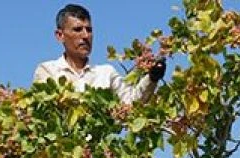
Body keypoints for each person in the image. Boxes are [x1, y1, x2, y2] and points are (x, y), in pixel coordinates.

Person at [33, 4, 165, 104]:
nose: (86, 35)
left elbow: (131, 104)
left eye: (89, 30)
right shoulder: (47, 71)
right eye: (78, 30)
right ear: (60, 35)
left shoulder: (106, 73)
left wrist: (152, 78)